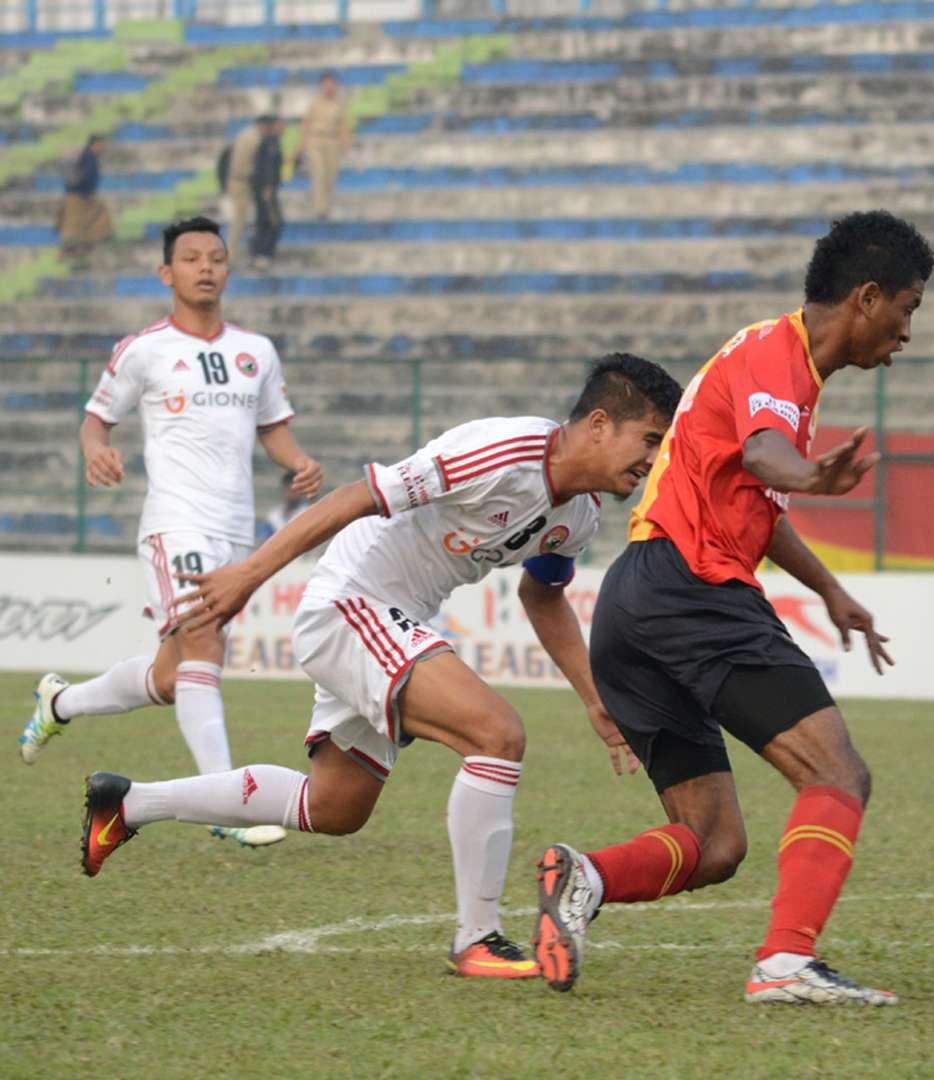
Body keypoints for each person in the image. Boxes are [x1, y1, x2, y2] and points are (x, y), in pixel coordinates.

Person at [76, 353, 683, 981]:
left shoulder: (578, 515)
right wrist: (251, 576)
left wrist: (591, 696)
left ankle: (129, 802)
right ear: (600, 423)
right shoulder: (501, 452)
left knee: (335, 807)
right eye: (650, 441)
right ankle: (478, 937)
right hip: (353, 600)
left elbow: (543, 595)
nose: (652, 460)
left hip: (400, 616)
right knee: (496, 734)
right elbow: (354, 497)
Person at [527, 211, 933, 1005]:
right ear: (867, 296)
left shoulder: (780, 375)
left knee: (715, 843)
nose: (908, 332)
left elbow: (759, 493)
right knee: (839, 773)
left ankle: (587, 877)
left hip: (634, 606)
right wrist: (815, 474)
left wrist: (830, 590)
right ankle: (785, 962)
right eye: (909, 309)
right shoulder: (773, 354)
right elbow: (765, 458)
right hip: (693, 590)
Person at [22, 216, 322, 851]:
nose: (205, 267)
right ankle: (223, 796)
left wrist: (297, 463)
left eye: (216, 257)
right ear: (167, 273)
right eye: (191, 258)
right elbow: (95, 421)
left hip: (236, 531)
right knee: (203, 643)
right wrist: (96, 450)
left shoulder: (257, 352)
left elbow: (273, 429)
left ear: (228, 269)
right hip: (174, 520)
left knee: (170, 674)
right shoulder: (143, 350)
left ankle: (60, 704)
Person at [295, 72, 353, 221]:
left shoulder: (339, 104)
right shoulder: (314, 102)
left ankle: (327, 208)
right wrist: (301, 145)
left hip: (332, 141)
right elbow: (305, 125)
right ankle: (320, 209)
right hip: (316, 140)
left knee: (330, 176)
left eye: (331, 84)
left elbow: (343, 126)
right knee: (318, 173)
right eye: (326, 84)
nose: (329, 87)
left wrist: (346, 145)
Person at [57, 134, 113, 264]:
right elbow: (84, 177)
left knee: (95, 221)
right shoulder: (89, 157)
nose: (103, 148)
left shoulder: (90, 157)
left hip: (84, 197)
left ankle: (82, 251)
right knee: (72, 228)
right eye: (101, 144)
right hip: (79, 197)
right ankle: (63, 253)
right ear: (94, 144)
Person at [224, 117, 267, 253]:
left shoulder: (245, 134)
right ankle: (231, 255)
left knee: (240, 221)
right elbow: (246, 165)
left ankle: (233, 253)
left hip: (237, 181)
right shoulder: (253, 139)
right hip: (242, 183)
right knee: (238, 221)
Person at [249, 115, 285, 267]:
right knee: (272, 221)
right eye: (280, 125)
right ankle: (263, 253)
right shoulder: (271, 142)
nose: (283, 129)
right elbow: (268, 166)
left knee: (264, 220)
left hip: (262, 189)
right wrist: (269, 186)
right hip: (266, 190)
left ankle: (259, 253)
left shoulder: (267, 141)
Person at [256, 469, 310, 543]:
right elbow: (265, 540)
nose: (291, 494)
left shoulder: (307, 514)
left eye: (294, 490)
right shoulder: (273, 516)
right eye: (288, 489)